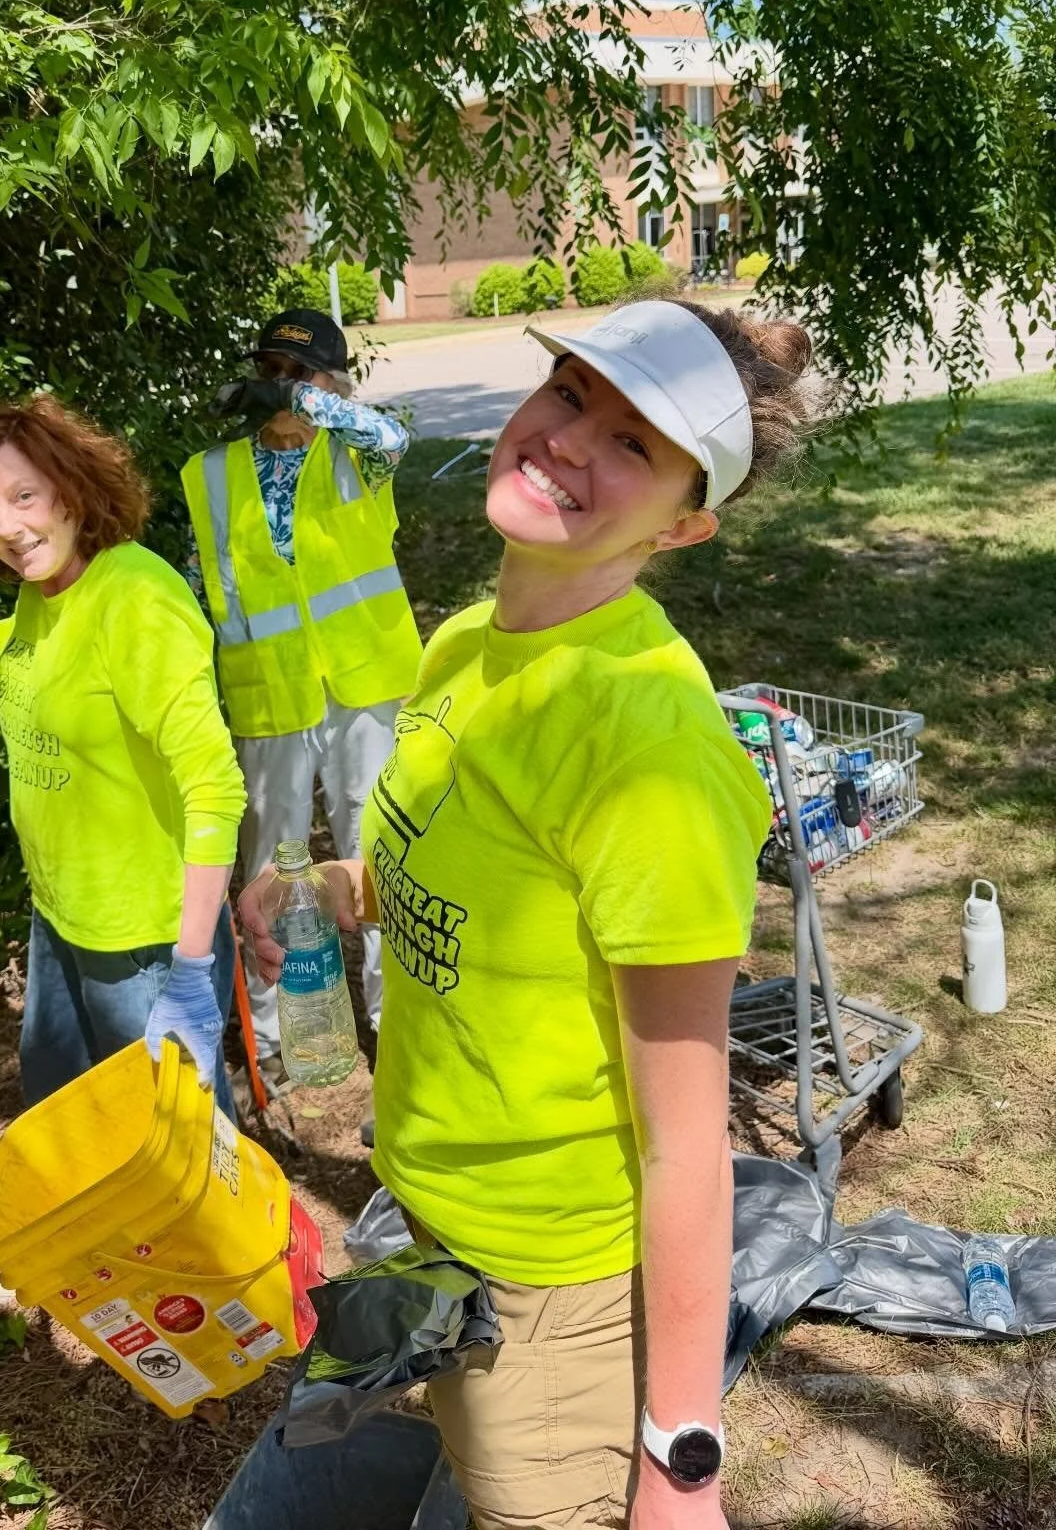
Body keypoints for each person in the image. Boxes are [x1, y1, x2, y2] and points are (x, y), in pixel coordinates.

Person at [241, 300, 823, 1528]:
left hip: (550, 1288)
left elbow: (687, 1153)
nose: (569, 443)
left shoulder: (647, 748)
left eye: (634, 446)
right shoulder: (465, 643)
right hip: (427, 1215)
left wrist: (678, 1461)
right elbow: (438, 864)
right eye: (569, 396)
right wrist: (332, 891)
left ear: (686, 525)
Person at [0, 396, 247, 1122]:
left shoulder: (135, 599)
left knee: (176, 1147)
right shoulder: (51, 591)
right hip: (63, 913)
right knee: (71, 1118)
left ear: (70, 487)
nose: (8, 527)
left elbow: (215, 786)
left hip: (144, 940)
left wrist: (194, 969)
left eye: (23, 496)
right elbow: (13, 642)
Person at [182, 307, 422, 1089]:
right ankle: (278, 1037)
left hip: (367, 686)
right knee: (274, 868)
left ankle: (399, 1025)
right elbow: (198, 587)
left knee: (379, 851)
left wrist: (309, 404)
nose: (281, 387)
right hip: (269, 698)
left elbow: (393, 436)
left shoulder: (360, 453)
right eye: (270, 372)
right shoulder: (208, 473)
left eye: (299, 372)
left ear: (332, 382)